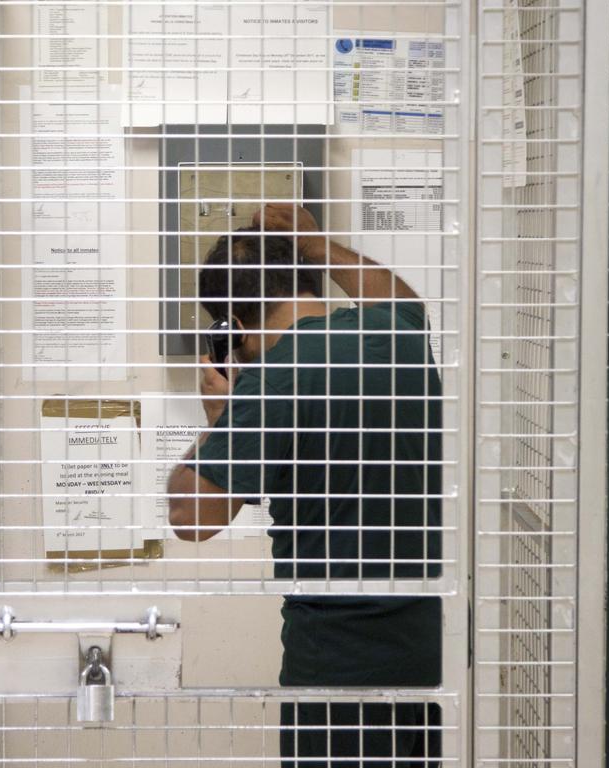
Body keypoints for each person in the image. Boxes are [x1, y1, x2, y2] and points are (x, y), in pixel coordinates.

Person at [167, 203, 443, 767]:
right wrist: (316, 247)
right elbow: (400, 295)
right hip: (428, 649)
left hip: (336, 663)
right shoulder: (398, 334)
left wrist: (221, 420)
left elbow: (192, 518)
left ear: (233, 328)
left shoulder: (270, 383)